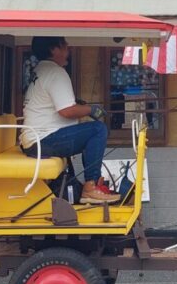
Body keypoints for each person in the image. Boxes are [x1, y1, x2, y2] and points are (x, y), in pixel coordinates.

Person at [22, 36, 119, 204]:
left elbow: (58, 105)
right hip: (44, 140)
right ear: (54, 49)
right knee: (98, 129)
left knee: (90, 132)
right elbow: (67, 111)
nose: (69, 48)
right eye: (64, 46)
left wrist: (80, 106)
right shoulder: (56, 72)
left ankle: (88, 186)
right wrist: (91, 109)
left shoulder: (40, 70)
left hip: (33, 141)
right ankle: (91, 186)